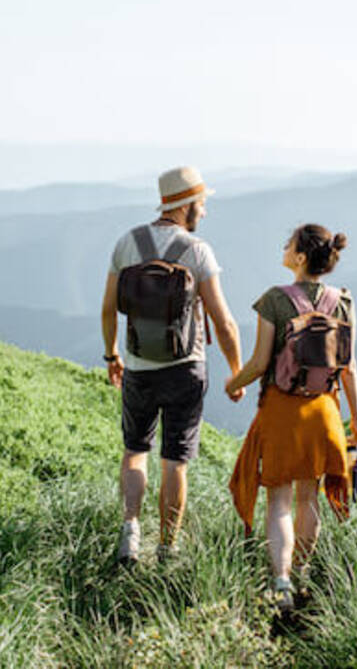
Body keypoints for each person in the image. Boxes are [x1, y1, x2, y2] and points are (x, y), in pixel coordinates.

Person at [101, 166, 244, 563]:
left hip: (139, 365)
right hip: (186, 366)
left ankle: (130, 529)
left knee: (134, 451)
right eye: (202, 203)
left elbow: (108, 310)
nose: (204, 211)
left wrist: (113, 355)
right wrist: (237, 371)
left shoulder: (127, 243)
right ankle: (168, 547)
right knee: (175, 462)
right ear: (186, 206)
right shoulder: (197, 251)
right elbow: (224, 321)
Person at [225, 223, 357, 613]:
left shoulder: (274, 300)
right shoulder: (344, 301)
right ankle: (302, 571)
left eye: (288, 245)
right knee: (309, 497)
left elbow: (260, 363)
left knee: (279, 502)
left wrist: (231, 383)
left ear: (300, 257)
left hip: (282, 410)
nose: (283, 249)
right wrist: (356, 419)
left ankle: (281, 582)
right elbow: (350, 367)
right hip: (324, 410)